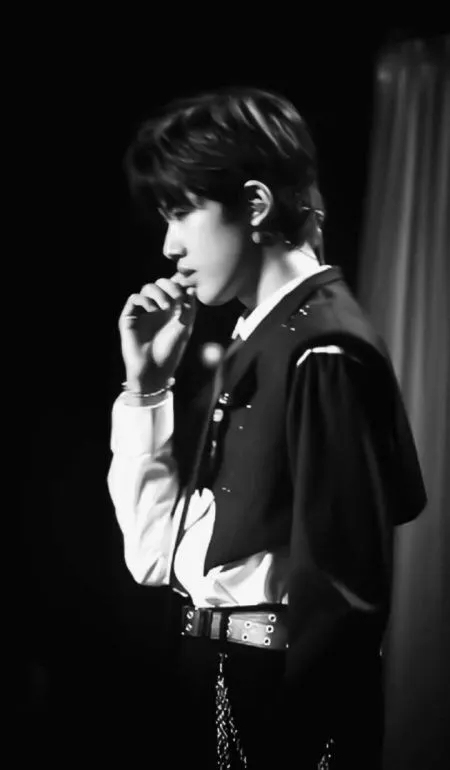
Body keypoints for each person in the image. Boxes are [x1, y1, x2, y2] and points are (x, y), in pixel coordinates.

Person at [107, 86, 427, 769]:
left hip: (269, 704)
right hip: (217, 678)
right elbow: (155, 558)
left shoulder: (325, 348)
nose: (169, 246)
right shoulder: (261, 334)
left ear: (254, 204)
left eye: (182, 213)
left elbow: (341, 610)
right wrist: (147, 388)